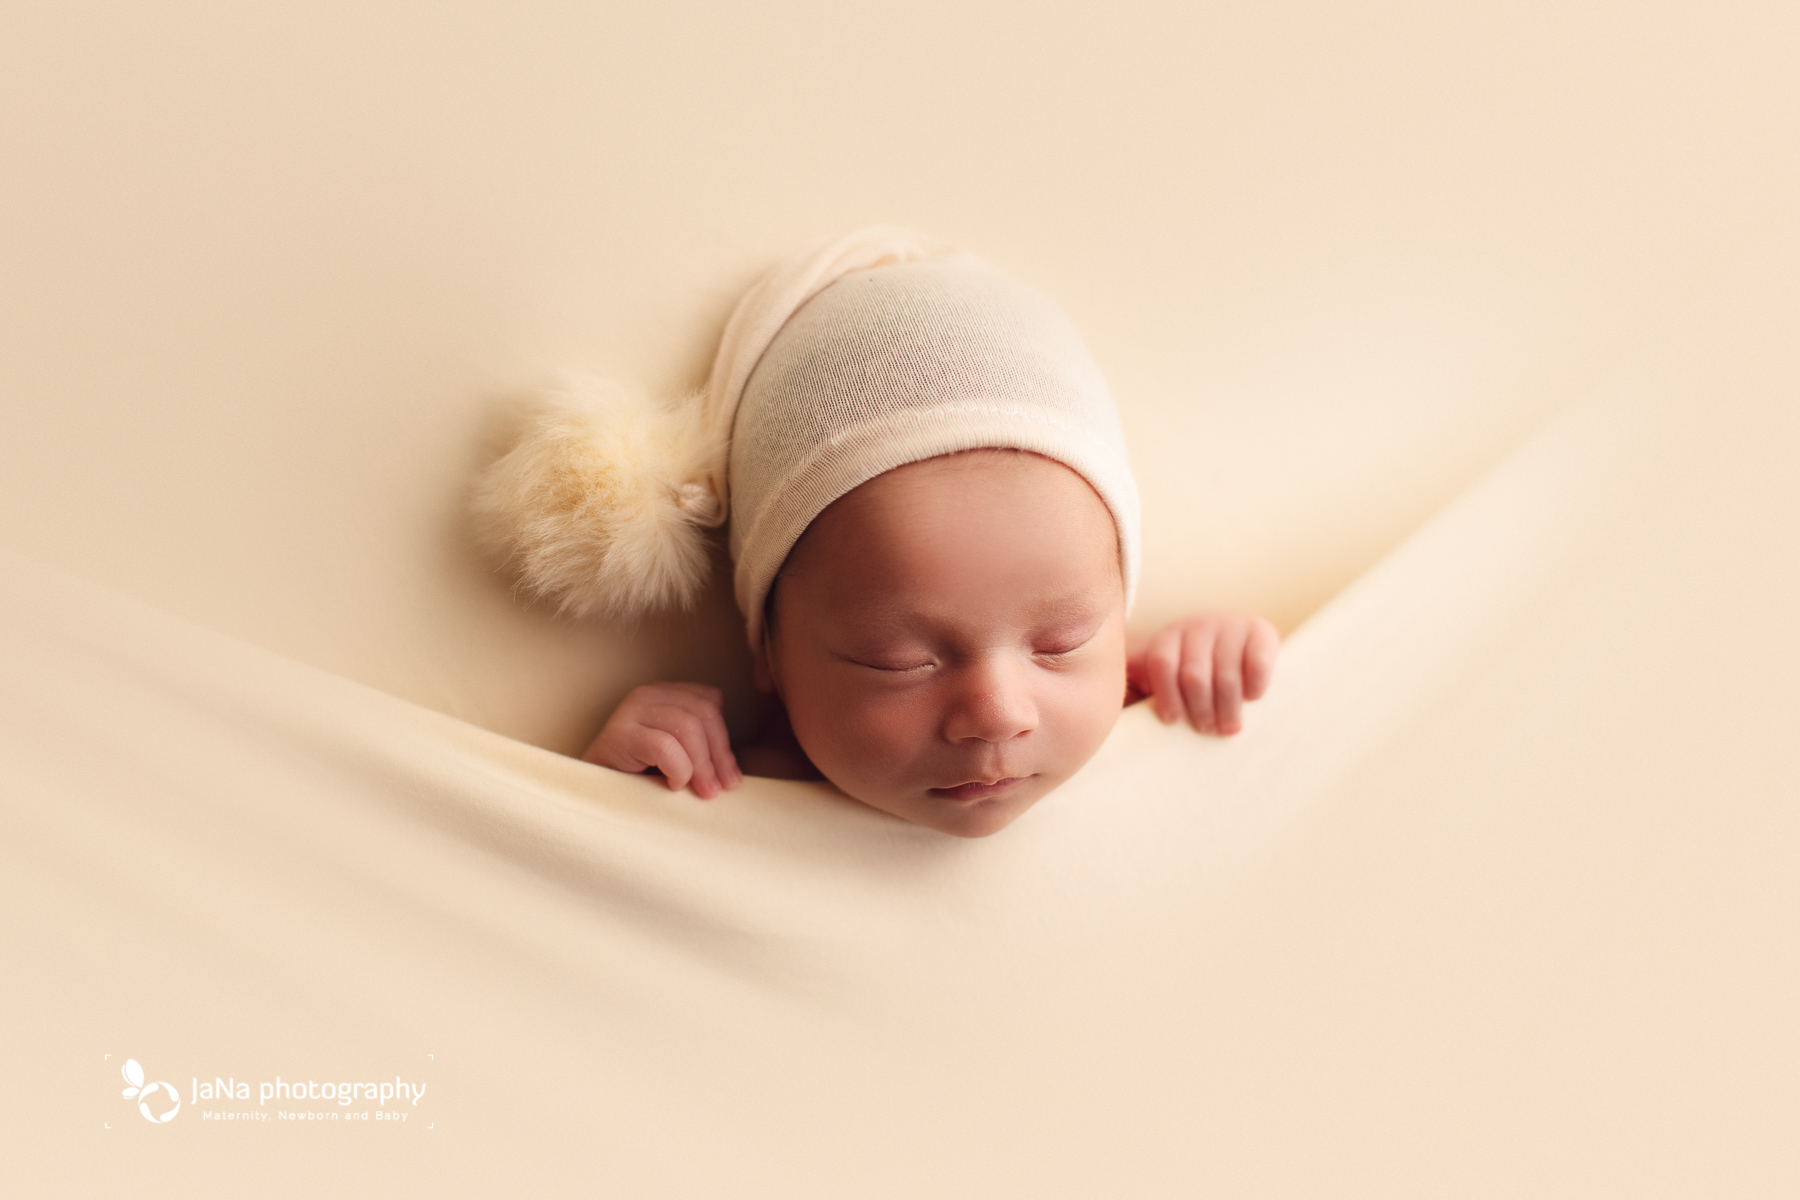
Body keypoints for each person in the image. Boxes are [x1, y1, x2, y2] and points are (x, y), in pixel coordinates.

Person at [476, 228, 1278, 837]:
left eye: (1063, 642)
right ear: (770, 652)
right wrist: (610, 799)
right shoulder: (735, 795)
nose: (998, 713)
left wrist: (1211, 663)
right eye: (901, 660)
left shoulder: (1146, 716)